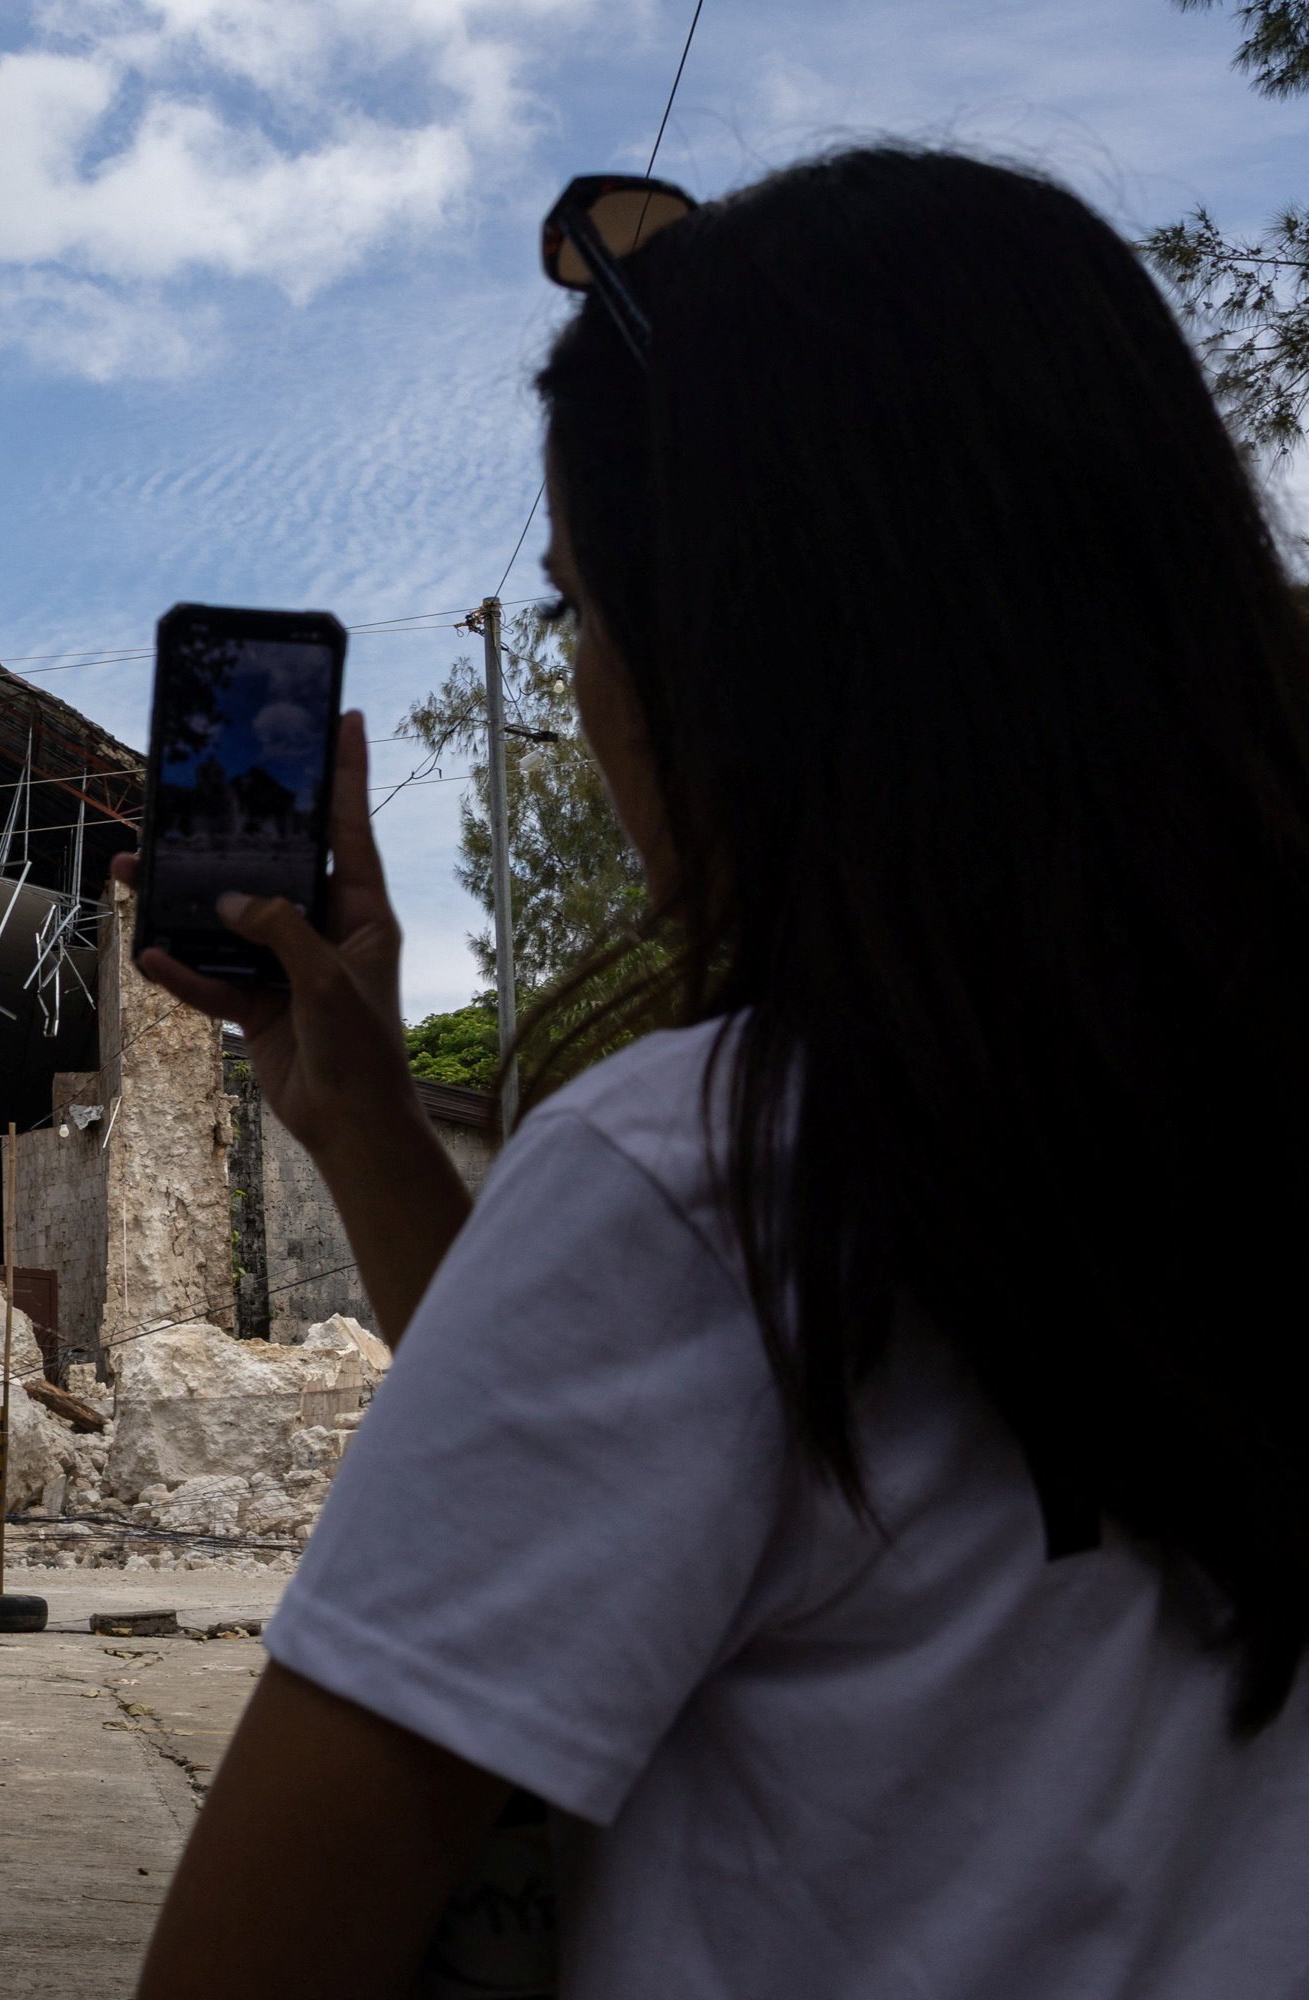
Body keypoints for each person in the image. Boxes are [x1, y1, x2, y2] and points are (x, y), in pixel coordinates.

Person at [129, 147, 1309, 1999]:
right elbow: (628, 1445)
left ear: (751, 651)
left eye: (584, 612)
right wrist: (365, 1125)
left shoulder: (716, 1170)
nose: (586, 688)